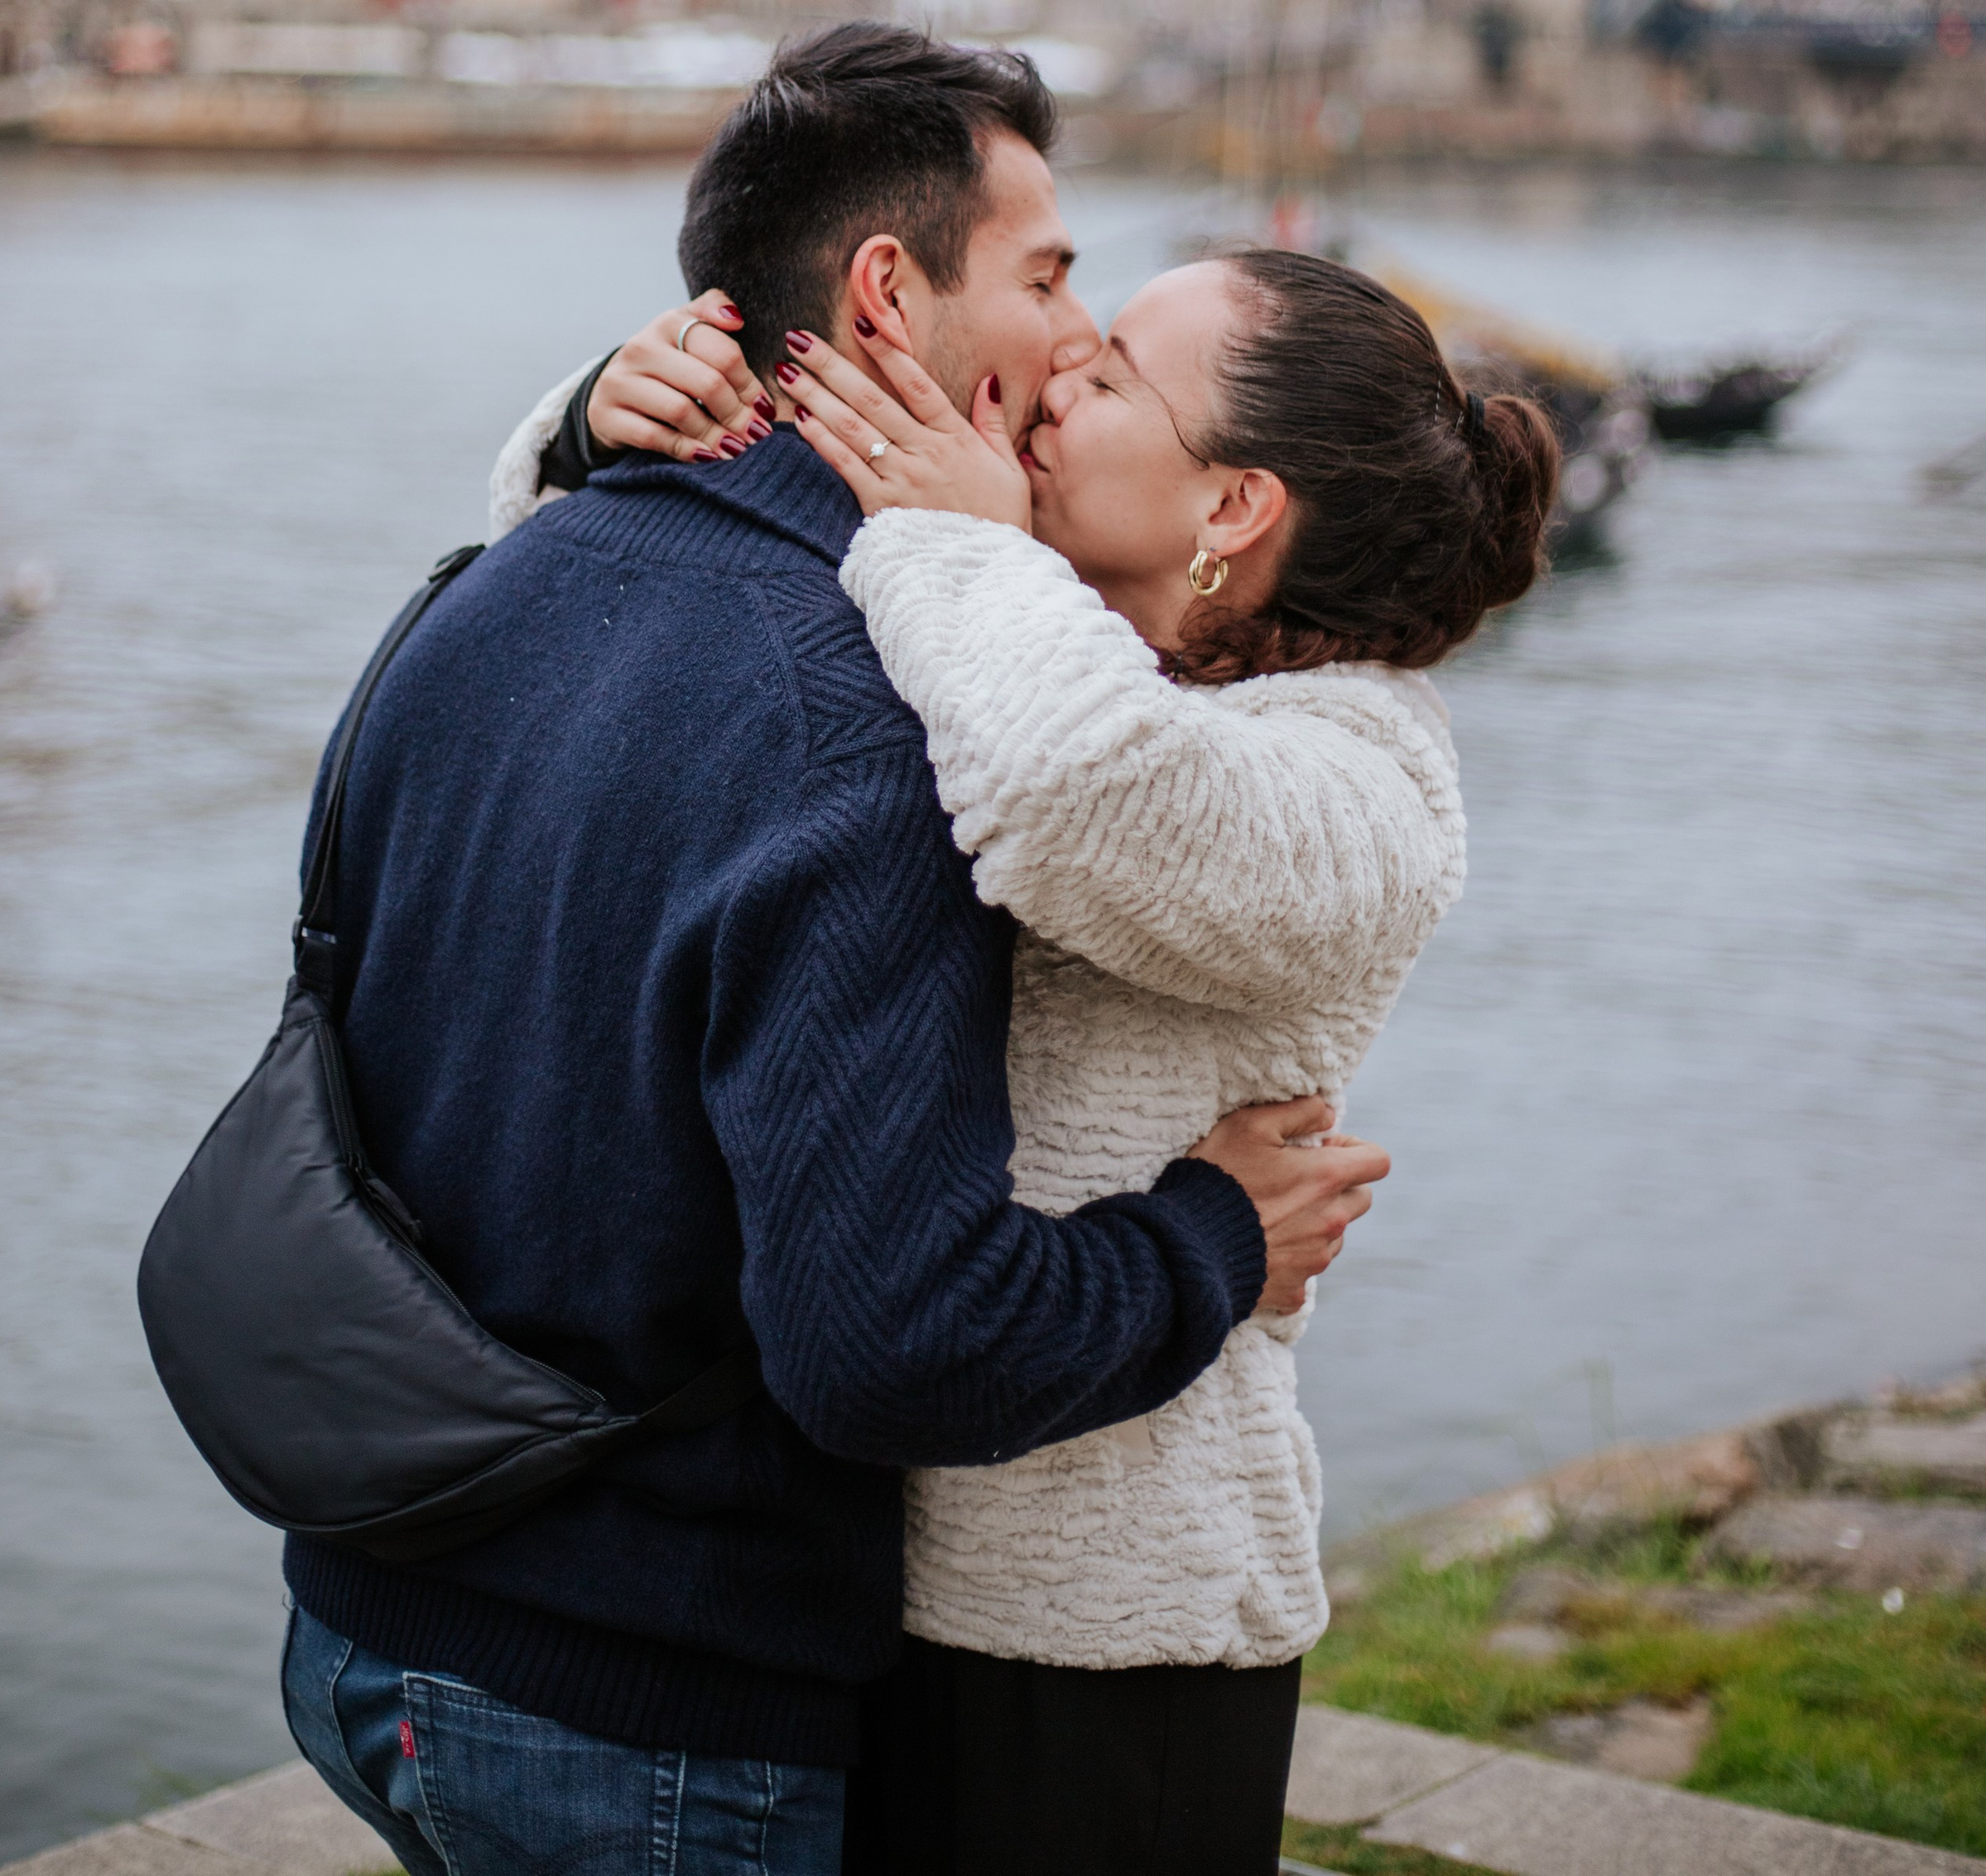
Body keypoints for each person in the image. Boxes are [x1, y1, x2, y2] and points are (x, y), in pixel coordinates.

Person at [280, 24, 1385, 1876]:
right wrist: (1213, 1234)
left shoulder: (486, 594)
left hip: (360, 1614)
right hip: (636, 1702)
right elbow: (889, 1350)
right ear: (886, 293)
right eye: (1048, 279)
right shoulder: (874, 729)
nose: (1070, 342)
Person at [500, 161, 1557, 1874]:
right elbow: (660, 636)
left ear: (1233, 507)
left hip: (1099, 1637)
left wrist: (956, 534)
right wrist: (597, 419)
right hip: (863, 1572)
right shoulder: (1037, 638)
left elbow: (1074, 794)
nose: (1056, 371)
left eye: (1114, 375)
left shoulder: (1367, 779)